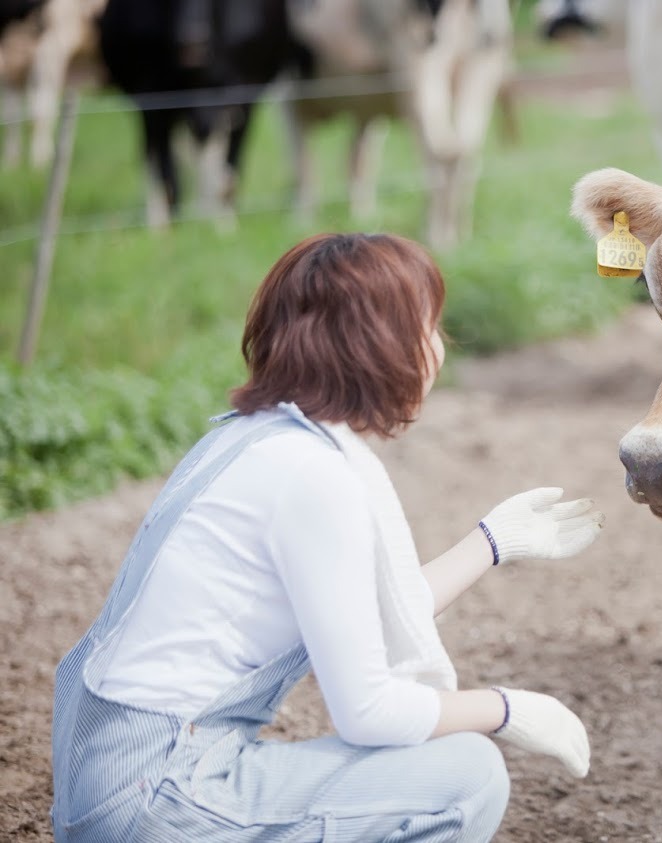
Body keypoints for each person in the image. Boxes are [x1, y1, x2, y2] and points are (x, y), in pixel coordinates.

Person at [50, 232, 605, 842]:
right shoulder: (314, 477)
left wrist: (492, 541)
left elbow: (365, 613)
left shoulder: (251, 439)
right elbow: (367, 711)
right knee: (467, 776)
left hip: (109, 779)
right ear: (378, 347)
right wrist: (505, 708)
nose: (438, 351)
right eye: (427, 329)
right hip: (160, 794)